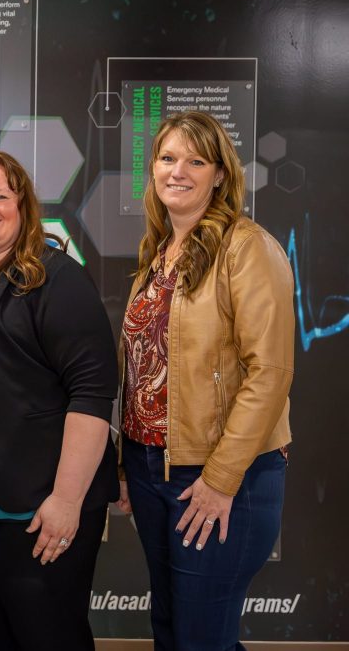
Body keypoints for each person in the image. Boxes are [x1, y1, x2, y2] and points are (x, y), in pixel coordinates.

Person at [117, 110, 294, 650]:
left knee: (199, 638)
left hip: (219, 475)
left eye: (196, 160)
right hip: (151, 466)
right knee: (173, 629)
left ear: (220, 174)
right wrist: (127, 462)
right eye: (167, 158)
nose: (178, 170)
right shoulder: (158, 254)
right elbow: (142, 365)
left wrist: (220, 478)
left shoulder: (246, 247)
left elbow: (270, 371)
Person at [0, 148, 118, 650]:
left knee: (49, 640)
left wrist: (66, 500)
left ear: (24, 206)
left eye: (0, 195)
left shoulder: (57, 279)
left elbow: (93, 393)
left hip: (36, 512)